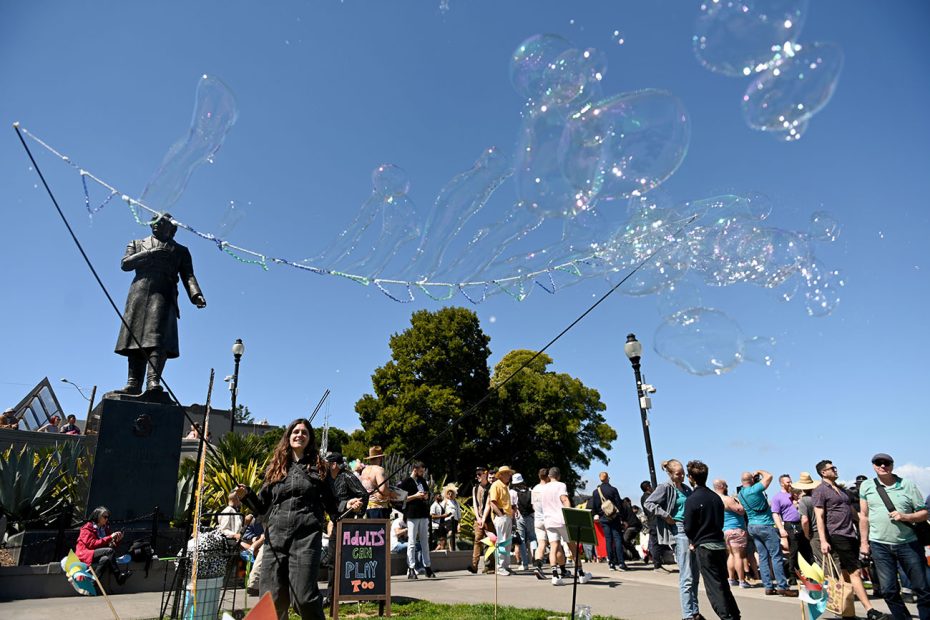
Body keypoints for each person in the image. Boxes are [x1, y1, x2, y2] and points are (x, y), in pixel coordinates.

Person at [238, 418, 336, 620]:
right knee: (271, 598)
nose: (300, 435)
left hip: (306, 537)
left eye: (304, 433)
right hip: (276, 537)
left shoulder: (320, 468)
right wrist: (247, 495)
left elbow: (333, 504)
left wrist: (349, 507)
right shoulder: (275, 468)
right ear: (288, 437)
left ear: (310, 439)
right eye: (295, 432)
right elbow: (262, 507)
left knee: (304, 598)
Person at [113, 212, 206, 396]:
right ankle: (133, 382)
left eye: (161, 222)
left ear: (171, 228)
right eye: (154, 222)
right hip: (139, 294)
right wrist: (148, 253)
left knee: (158, 337)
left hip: (164, 294)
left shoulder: (180, 251)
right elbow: (125, 264)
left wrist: (196, 295)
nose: (155, 225)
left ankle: (152, 381)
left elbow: (188, 275)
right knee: (135, 337)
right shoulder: (137, 243)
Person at [813, 459, 889, 620]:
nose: (835, 469)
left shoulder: (840, 489)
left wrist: (863, 521)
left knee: (846, 572)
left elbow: (851, 511)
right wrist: (823, 540)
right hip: (836, 534)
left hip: (850, 533)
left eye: (835, 466)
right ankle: (870, 610)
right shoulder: (820, 490)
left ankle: (848, 611)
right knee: (855, 571)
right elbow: (819, 517)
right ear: (823, 473)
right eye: (831, 468)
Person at [859, 453, 930, 620]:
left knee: (922, 589)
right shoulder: (867, 486)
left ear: (892, 465)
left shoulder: (907, 485)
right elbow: (863, 516)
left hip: (908, 543)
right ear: (873, 465)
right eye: (878, 463)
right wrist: (864, 543)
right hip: (879, 545)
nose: (883, 466)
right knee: (889, 590)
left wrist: (905, 517)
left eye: (886, 463)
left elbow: (924, 513)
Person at [684, 461, 741, 620]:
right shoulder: (715, 498)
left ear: (691, 478)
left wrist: (693, 539)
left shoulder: (692, 499)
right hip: (718, 543)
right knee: (723, 584)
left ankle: (726, 616)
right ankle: (734, 614)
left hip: (704, 546)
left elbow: (688, 526)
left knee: (713, 587)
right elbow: (720, 520)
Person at [645, 459, 701, 620]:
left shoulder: (687, 489)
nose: (682, 476)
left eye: (683, 472)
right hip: (679, 530)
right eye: (678, 474)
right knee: (686, 574)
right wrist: (666, 516)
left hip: (692, 531)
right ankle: (687, 614)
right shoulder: (665, 487)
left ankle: (694, 610)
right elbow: (649, 503)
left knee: (695, 574)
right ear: (670, 474)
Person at [737, 469, 796, 597]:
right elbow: (769, 476)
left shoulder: (741, 493)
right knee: (776, 556)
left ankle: (768, 586)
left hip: (752, 526)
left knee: (763, 557)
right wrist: (759, 471)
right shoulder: (754, 489)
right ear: (752, 480)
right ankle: (782, 586)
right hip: (765, 525)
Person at [322, 451, 366, 611]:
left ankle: (361, 593)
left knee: (353, 560)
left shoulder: (348, 476)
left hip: (351, 525)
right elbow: (327, 502)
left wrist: (357, 510)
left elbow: (363, 495)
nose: (324, 465)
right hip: (335, 524)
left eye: (327, 462)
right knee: (332, 561)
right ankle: (331, 596)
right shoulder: (326, 480)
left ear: (333, 464)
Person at [540, 467, 581, 586]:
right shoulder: (561, 485)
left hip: (549, 520)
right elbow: (564, 499)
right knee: (572, 545)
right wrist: (569, 511)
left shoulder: (544, 487)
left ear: (549, 476)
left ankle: (554, 574)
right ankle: (581, 573)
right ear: (558, 476)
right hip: (561, 519)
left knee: (554, 547)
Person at [771, 473, 811, 584]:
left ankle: (808, 573)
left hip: (801, 522)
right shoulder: (777, 497)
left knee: (806, 548)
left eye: (790, 481)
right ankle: (792, 575)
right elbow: (775, 514)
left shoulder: (795, 494)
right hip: (790, 524)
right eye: (787, 482)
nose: (790, 483)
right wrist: (781, 528)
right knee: (794, 549)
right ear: (781, 483)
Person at [398, 461, 435, 579]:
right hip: (412, 514)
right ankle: (411, 567)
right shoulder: (406, 482)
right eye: (420, 471)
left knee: (425, 541)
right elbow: (401, 499)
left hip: (423, 513)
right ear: (415, 469)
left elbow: (427, 493)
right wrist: (415, 496)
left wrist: (425, 496)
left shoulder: (422, 481)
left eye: (423, 472)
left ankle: (427, 566)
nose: (422, 473)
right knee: (412, 542)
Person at [76, 506, 129, 584]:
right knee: (109, 551)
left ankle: (93, 583)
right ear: (97, 516)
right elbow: (92, 544)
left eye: (108, 517)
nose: (106, 519)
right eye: (105, 517)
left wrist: (116, 540)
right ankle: (118, 576)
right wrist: (110, 537)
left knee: (106, 559)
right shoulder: (87, 528)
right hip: (85, 553)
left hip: (97, 553)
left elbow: (109, 545)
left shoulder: (104, 529)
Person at [713, 479, 750, 589]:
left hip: (725, 529)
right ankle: (742, 580)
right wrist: (739, 502)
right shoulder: (727, 499)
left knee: (731, 555)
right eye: (726, 485)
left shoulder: (714, 499)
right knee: (738, 555)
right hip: (735, 529)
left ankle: (731, 578)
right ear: (722, 486)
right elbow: (741, 510)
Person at [590, 471, 628, 571]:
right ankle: (621, 563)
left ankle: (611, 563)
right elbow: (619, 504)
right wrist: (622, 517)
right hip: (614, 517)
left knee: (608, 540)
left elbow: (594, 507)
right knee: (617, 538)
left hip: (603, 518)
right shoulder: (613, 490)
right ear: (608, 478)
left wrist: (596, 515)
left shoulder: (595, 492)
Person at [468, 465, 496, 574]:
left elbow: (489, 504)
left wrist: (483, 519)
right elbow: (475, 504)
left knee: (489, 542)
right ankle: (474, 565)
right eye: (477, 474)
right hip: (478, 519)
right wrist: (478, 518)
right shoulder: (475, 488)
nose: (478, 476)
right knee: (477, 540)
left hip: (488, 519)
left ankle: (490, 566)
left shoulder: (491, 487)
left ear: (485, 473)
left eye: (480, 474)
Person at [488, 465, 515, 576]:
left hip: (506, 516)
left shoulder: (504, 486)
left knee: (507, 542)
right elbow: (492, 502)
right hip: (501, 517)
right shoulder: (496, 485)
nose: (509, 475)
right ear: (501, 475)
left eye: (509, 473)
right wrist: (500, 515)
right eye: (507, 473)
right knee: (502, 542)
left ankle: (506, 566)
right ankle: (500, 567)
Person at [641, 480, 668, 570]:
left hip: (651, 522)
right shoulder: (649, 498)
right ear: (648, 487)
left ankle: (654, 558)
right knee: (656, 543)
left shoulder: (643, 497)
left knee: (654, 542)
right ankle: (657, 564)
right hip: (654, 522)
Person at [511, 473, 536, 571]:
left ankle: (525, 563)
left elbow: (512, 506)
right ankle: (536, 560)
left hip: (519, 517)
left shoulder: (512, 492)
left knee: (521, 540)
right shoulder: (530, 490)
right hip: (530, 517)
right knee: (533, 538)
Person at [360, 446, 392, 519]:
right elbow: (382, 489)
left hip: (368, 507)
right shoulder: (379, 470)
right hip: (380, 508)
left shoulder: (364, 470)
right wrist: (392, 494)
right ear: (380, 458)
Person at [531, 468, 550, 579]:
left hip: (538, 519)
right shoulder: (548, 488)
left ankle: (538, 566)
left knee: (541, 544)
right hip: (548, 518)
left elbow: (533, 505)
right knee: (554, 544)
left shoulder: (535, 489)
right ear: (548, 476)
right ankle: (559, 568)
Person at [441, 484, 461, 551]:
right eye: (448, 493)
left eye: (451, 493)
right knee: (450, 533)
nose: (450, 495)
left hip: (454, 520)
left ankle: (452, 548)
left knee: (453, 535)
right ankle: (449, 547)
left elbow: (458, 513)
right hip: (447, 520)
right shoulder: (445, 502)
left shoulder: (456, 502)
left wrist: (459, 523)